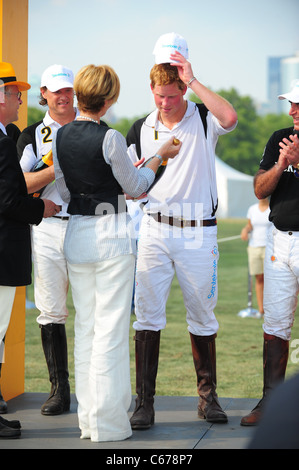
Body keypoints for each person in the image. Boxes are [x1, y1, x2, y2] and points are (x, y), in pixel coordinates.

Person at [52, 63, 181, 442]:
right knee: (109, 333)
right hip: (111, 238)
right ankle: (108, 426)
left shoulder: (60, 137)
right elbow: (138, 185)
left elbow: (62, 192)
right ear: (109, 100)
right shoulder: (109, 138)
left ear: (79, 95)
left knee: (86, 330)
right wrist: (160, 156)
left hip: (76, 235)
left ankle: (89, 422)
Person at [126, 33, 238, 430]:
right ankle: (145, 403)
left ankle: (208, 399)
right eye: (159, 95)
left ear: (182, 87)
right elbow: (127, 184)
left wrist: (193, 81)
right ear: (151, 89)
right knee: (147, 318)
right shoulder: (140, 127)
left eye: (172, 95)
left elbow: (230, 118)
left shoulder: (204, 116)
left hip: (198, 233)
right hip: (154, 230)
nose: (165, 103)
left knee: (203, 318)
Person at [0, 62, 60, 438]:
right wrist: (42, 208)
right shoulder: (3, 142)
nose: (20, 99)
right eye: (14, 93)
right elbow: (6, 200)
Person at [17, 65, 78, 416]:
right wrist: (53, 167)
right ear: (43, 92)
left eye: (68, 89)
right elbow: (21, 184)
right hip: (49, 227)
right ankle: (60, 390)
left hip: (86, 225)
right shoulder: (32, 134)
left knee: (92, 310)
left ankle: (94, 386)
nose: (63, 96)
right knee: (51, 311)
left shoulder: (92, 127)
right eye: (56, 90)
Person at [240, 79, 299, 426]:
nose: (291, 110)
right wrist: (281, 164)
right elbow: (259, 188)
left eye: (297, 104)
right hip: (279, 240)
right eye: (290, 103)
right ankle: (271, 404)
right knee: (275, 324)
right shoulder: (279, 137)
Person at [240, 198, 271, 316]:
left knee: (272, 279)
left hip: (270, 248)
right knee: (259, 278)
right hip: (254, 247)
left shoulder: (273, 208)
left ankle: (273, 310)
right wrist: (245, 230)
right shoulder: (252, 209)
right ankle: (261, 310)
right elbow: (249, 226)